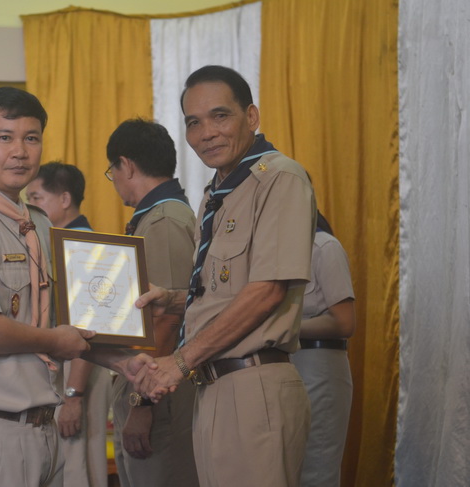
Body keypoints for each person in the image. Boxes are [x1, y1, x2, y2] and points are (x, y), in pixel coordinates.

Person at [0, 87, 147, 487]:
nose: (20, 152)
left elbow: (62, 321)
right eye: (4, 137)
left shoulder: (37, 224)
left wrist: (121, 362)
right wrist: (55, 341)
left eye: (31, 138)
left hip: (43, 429)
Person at [134, 65, 316, 487]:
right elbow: (224, 288)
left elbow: (267, 291)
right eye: (193, 123)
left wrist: (180, 361)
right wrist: (172, 299)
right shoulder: (219, 192)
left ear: (251, 117)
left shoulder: (279, 178)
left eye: (220, 116)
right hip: (213, 385)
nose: (207, 133)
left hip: (254, 384)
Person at [104, 118, 199, 487]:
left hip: (161, 398)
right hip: (151, 388)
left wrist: (142, 405)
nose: (114, 180)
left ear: (126, 165)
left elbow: (167, 319)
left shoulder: (164, 221)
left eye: (112, 171)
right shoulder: (155, 217)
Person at [26, 162, 113, 487]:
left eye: (36, 198)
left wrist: (74, 395)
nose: (30, 207)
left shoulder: (82, 246)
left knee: (78, 468)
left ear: (64, 199)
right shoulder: (59, 243)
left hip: (80, 372)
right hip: (67, 372)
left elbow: (89, 328)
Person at [292, 211, 356, 487]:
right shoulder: (277, 251)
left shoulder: (324, 246)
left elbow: (344, 322)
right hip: (287, 365)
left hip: (320, 366)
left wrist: (283, 327)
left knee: (316, 469)